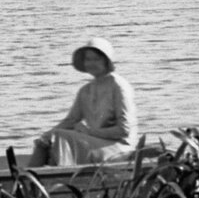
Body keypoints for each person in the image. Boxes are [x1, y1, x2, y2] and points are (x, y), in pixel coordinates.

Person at [27, 38, 139, 166]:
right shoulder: (85, 90)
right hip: (94, 143)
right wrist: (46, 135)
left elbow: (124, 130)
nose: (91, 63)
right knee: (47, 141)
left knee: (60, 137)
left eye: (96, 59)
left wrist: (90, 132)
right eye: (88, 59)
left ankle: (51, 179)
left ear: (106, 61)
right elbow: (71, 121)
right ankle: (27, 180)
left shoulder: (119, 86)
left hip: (119, 148)